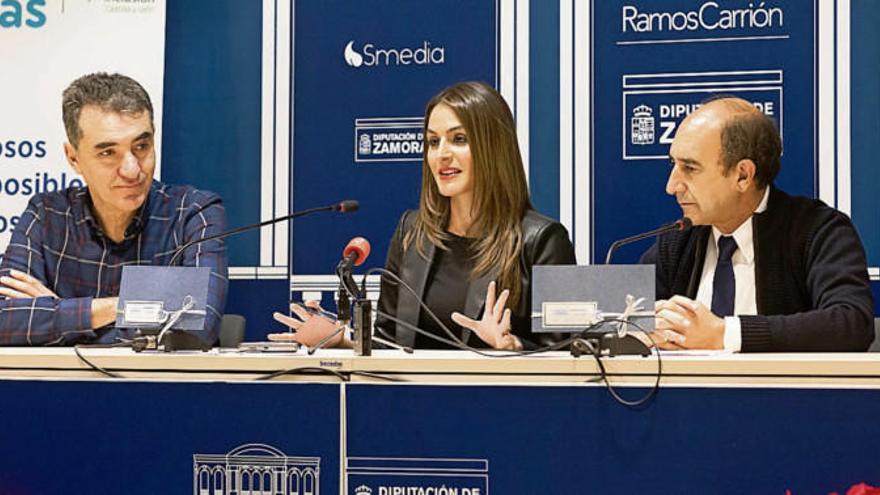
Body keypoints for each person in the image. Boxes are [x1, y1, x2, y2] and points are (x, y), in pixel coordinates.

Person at [274, 81, 576, 350]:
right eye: (433, 141)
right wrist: (342, 340)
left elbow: (569, 350)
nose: (441, 154)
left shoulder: (543, 240)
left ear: (493, 147)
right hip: (412, 407)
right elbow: (389, 341)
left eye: (459, 139)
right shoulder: (412, 232)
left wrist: (513, 346)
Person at [0, 72, 228, 345]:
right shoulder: (46, 214)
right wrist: (118, 308)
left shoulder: (194, 213)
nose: (132, 170)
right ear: (73, 158)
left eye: (141, 146)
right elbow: (4, 320)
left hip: (160, 387)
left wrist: (59, 313)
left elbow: (197, 325)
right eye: (108, 153)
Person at [641, 96, 874, 352]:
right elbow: (610, 313)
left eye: (690, 168)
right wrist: (646, 331)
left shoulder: (816, 230)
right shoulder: (679, 239)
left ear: (743, 175)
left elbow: (851, 323)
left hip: (784, 392)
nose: (672, 186)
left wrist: (724, 334)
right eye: (673, 164)